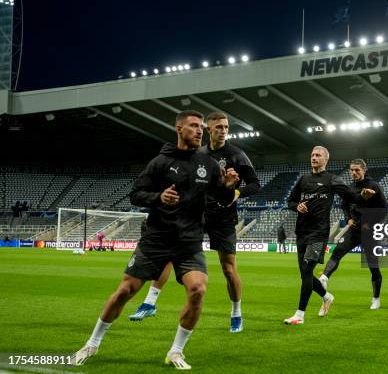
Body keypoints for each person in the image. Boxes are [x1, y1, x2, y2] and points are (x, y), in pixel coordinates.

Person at [71, 110, 240, 369]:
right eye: (194, 126)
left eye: (202, 128)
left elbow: (222, 199)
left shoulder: (208, 165)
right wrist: (158, 197)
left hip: (189, 241)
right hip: (157, 239)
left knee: (198, 290)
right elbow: (136, 194)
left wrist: (227, 186)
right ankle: (91, 344)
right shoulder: (160, 162)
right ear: (179, 129)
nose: (200, 131)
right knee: (125, 291)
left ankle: (175, 352)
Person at [129, 111, 260, 334]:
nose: (223, 131)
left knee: (228, 268)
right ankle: (149, 303)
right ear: (208, 129)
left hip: (223, 218)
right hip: (194, 216)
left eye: (226, 127)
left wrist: (235, 192)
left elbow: (255, 184)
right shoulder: (197, 152)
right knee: (170, 256)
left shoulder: (237, 155)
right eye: (218, 127)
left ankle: (236, 314)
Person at [283, 146, 376, 325]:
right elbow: (290, 200)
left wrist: (363, 196)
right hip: (302, 231)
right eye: (312, 155)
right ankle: (327, 296)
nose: (314, 158)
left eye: (318, 155)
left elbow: (352, 197)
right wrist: (297, 206)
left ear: (326, 160)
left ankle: (299, 315)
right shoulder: (303, 179)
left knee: (308, 270)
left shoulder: (331, 180)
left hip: (319, 233)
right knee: (305, 274)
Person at [319, 159, 388, 310]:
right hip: (354, 230)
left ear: (364, 170)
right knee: (337, 252)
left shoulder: (373, 186)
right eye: (351, 170)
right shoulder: (349, 188)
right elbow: (344, 207)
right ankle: (324, 278)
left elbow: (385, 209)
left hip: (370, 232)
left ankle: (376, 299)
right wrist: (348, 219)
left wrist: (370, 223)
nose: (354, 173)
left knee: (373, 266)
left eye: (357, 170)